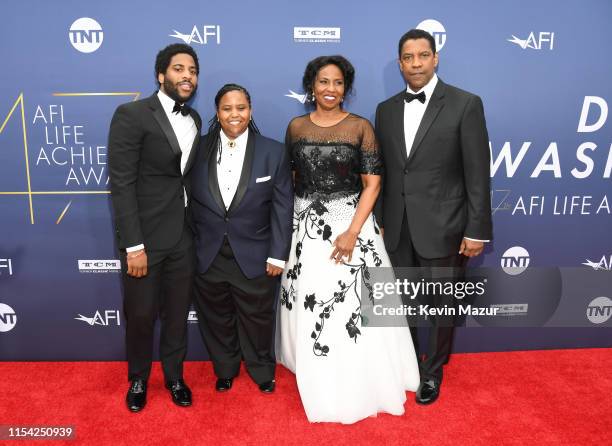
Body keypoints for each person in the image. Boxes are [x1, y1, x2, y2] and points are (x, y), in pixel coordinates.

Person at [276, 55, 420, 424]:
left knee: (359, 308)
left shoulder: (360, 128)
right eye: (323, 82)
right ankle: (317, 366)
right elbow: (291, 179)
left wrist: (352, 232)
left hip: (353, 226)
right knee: (313, 303)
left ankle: (367, 374)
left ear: (346, 88)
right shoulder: (295, 128)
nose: (330, 89)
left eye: (338, 83)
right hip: (307, 229)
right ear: (312, 86)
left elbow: (373, 184)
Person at [374, 29, 493, 405]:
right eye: (408, 58)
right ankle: (408, 365)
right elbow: (386, 170)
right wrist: (379, 215)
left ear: (435, 58)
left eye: (422, 56)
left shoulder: (465, 103)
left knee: (442, 304)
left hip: (445, 225)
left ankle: (433, 371)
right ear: (400, 63)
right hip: (397, 226)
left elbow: (477, 172)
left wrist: (477, 229)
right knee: (404, 302)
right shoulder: (386, 109)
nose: (415, 64)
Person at [108, 43, 201, 412]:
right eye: (179, 69)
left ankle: (175, 377)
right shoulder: (131, 114)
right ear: (161, 75)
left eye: (192, 70)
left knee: (177, 313)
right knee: (142, 314)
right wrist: (133, 245)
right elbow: (123, 184)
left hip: (184, 236)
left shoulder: (194, 119)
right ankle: (138, 379)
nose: (187, 76)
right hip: (145, 238)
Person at [190, 84, 293, 394]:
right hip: (208, 252)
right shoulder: (198, 148)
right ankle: (225, 368)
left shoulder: (273, 151)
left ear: (250, 110)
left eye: (241, 108)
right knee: (216, 318)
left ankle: (262, 370)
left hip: (256, 253)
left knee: (258, 318)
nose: (234, 114)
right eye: (227, 108)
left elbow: (283, 206)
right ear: (217, 113)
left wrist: (277, 254)